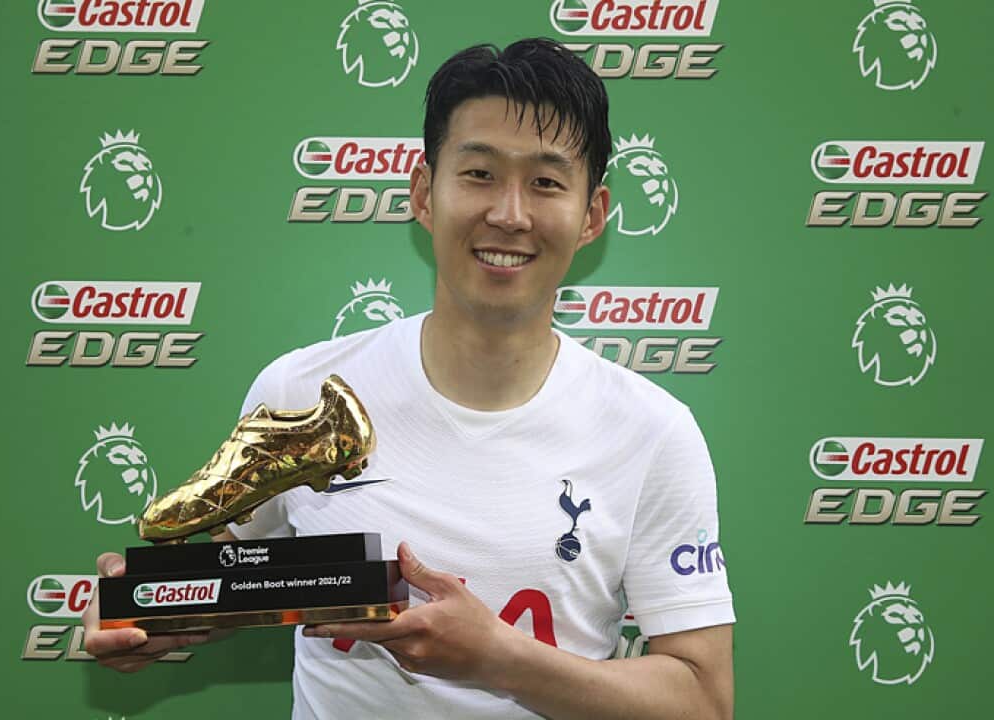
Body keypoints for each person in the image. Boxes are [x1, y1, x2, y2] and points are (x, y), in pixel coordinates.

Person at [82, 37, 735, 720]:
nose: (509, 214)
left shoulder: (653, 431)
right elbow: (245, 580)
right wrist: (157, 613)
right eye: (479, 173)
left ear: (592, 215)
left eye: (546, 182)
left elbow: (704, 702)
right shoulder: (303, 396)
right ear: (425, 193)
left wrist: (496, 658)